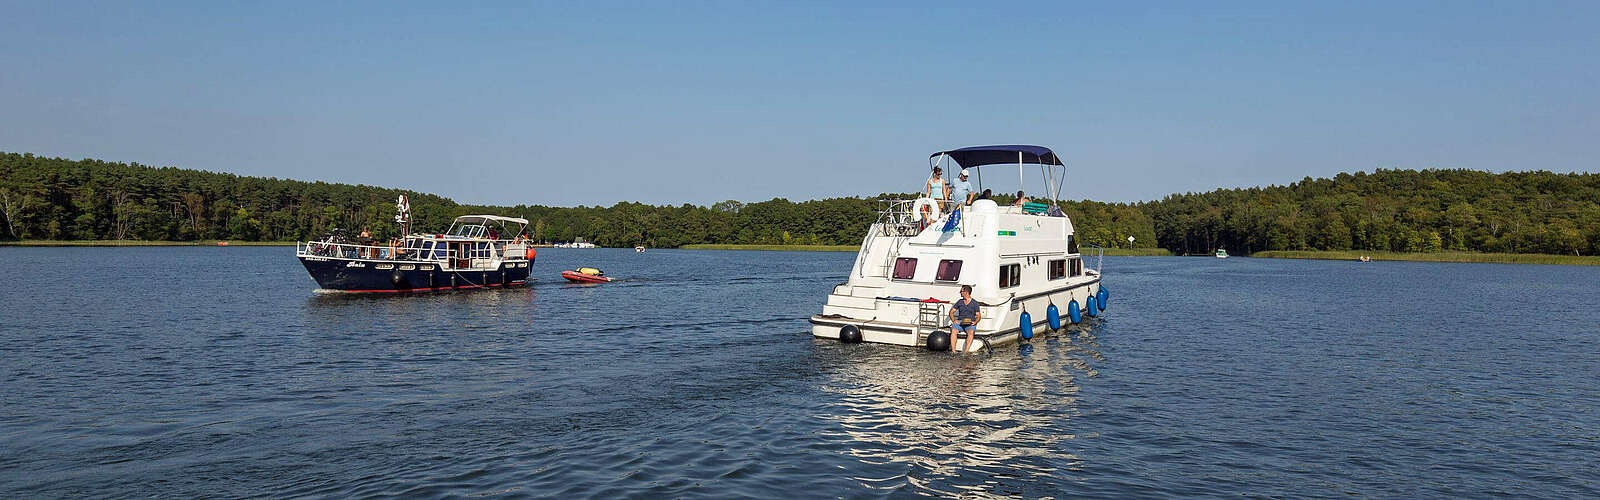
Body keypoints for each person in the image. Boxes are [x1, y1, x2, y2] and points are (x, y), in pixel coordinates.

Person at [948, 284, 982, 353]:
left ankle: (966, 352)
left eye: (961, 291)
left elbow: (978, 316)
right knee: (953, 330)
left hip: (970, 322)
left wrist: (975, 322)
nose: (960, 293)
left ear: (966, 292)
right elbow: (951, 312)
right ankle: (953, 351)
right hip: (960, 322)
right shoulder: (960, 302)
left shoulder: (974, 303)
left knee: (971, 332)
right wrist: (954, 320)